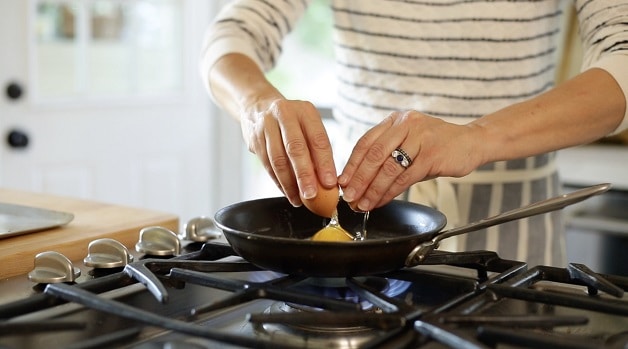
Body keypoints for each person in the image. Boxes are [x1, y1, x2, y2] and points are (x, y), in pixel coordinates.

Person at [200, 1, 628, 266]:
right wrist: (257, 104)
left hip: (512, 232)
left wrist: (476, 137)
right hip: (360, 231)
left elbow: (622, 60)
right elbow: (231, 34)